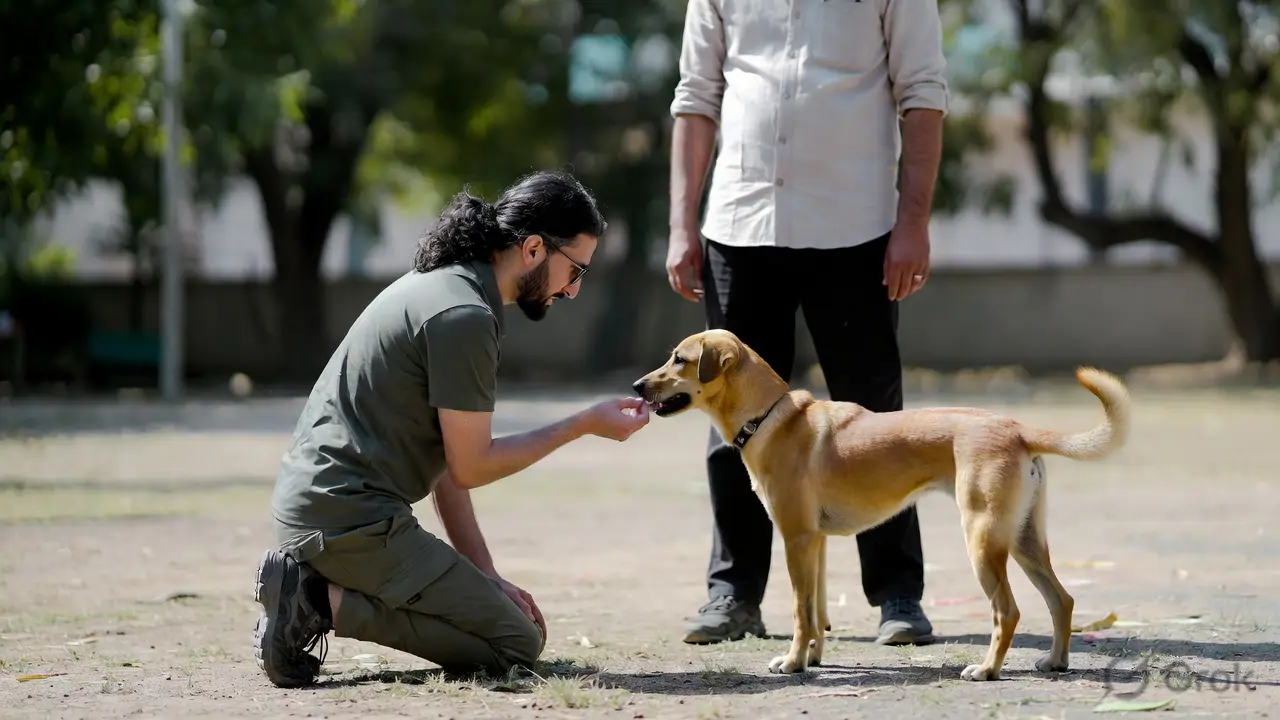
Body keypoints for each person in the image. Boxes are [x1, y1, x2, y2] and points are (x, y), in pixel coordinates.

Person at [252, 170, 651, 688]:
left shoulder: (445, 286)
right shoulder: (463, 315)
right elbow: (472, 464)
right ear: (533, 249)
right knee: (517, 643)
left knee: (511, 626)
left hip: (323, 513)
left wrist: (486, 576)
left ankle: (311, 592)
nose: (573, 290)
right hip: (347, 523)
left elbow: (448, 471)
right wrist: (582, 424)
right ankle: (315, 602)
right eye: (575, 270)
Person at [665, 0, 950, 646]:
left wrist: (912, 223)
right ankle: (733, 593)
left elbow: (923, 96)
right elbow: (697, 98)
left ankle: (897, 594)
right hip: (739, 222)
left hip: (855, 229)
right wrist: (683, 224)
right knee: (729, 418)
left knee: (875, 419)